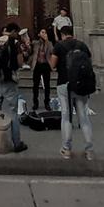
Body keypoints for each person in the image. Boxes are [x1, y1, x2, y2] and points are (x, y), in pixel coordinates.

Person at [51, 25, 93, 159]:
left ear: (62, 34)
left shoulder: (59, 46)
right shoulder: (82, 45)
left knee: (66, 116)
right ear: (72, 34)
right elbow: (89, 64)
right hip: (81, 85)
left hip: (64, 83)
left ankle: (66, 148)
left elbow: (52, 65)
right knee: (83, 117)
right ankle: (89, 150)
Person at [0, 25, 28, 153]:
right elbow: (19, 63)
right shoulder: (14, 44)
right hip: (9, 81)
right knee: (13, 112)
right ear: (14, 32)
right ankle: (16, 143)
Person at [31, 28, 54, 109]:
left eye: (45, 32)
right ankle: (35, 102)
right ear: (39, 34)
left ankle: (47, 102)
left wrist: (46, 41)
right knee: (35, 85)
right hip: (37, 65)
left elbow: (52, 51)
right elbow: (31, 50)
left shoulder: (49, 43)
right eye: (42, 32)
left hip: (45, 64)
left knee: (47, 85)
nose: (44, 34)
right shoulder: (35, 43)